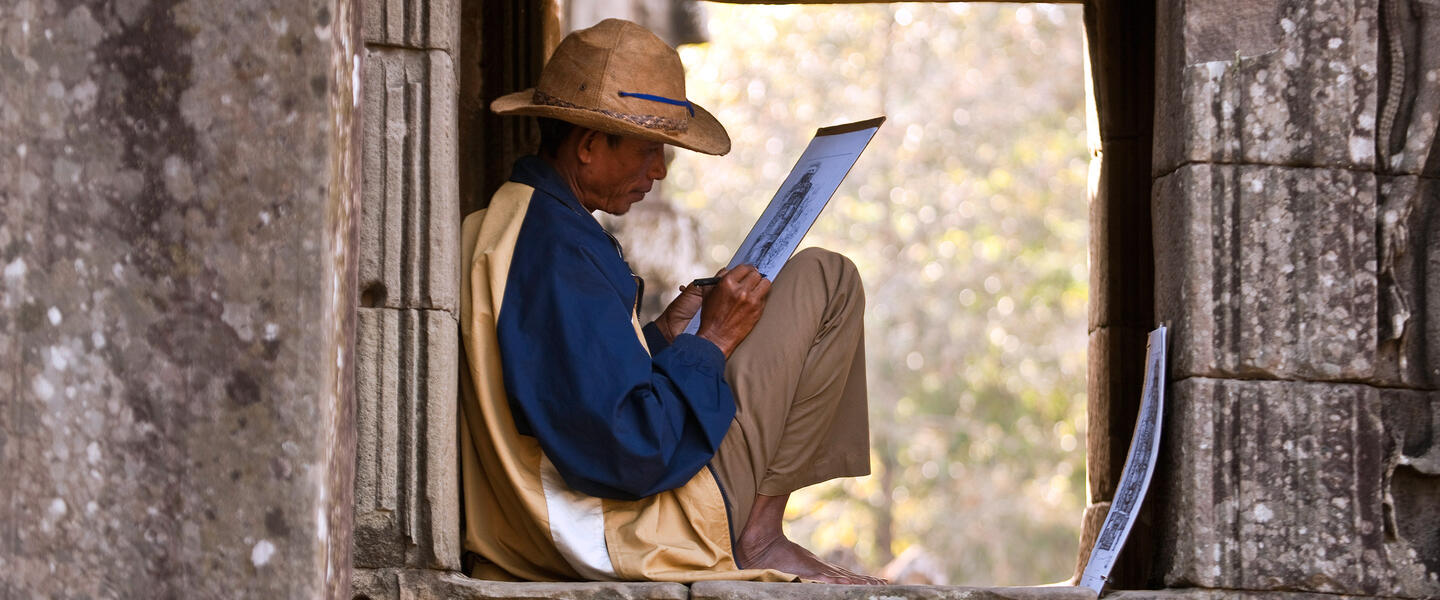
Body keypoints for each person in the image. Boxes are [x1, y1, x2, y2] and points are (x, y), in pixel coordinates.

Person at [458, 18, 882, 585]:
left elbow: (572, 389)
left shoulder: (511, 221)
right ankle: (758, 539)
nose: (659, 171)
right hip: (616, 532)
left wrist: (659, 337)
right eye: (650, 149)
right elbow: (633, 451)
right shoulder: (560, 253)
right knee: (825, 279)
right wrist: (713, 341)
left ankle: (757, 534)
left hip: (542, 524)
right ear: (588, 146)